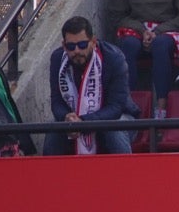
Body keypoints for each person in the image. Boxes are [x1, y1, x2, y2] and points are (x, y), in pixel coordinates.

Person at [46, 17, 138, 155]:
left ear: (93, 42)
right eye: (71, 46)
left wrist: (84, 122)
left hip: (118, 116)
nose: (77, 51)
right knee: (53, 130)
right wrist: (66, 118)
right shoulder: (57, 59)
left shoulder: (114, 58)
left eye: (82, 45)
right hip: (75, 119)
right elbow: (56, 102)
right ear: (64, 45)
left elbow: (116, 107)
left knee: (114, 130)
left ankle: (126, 169)